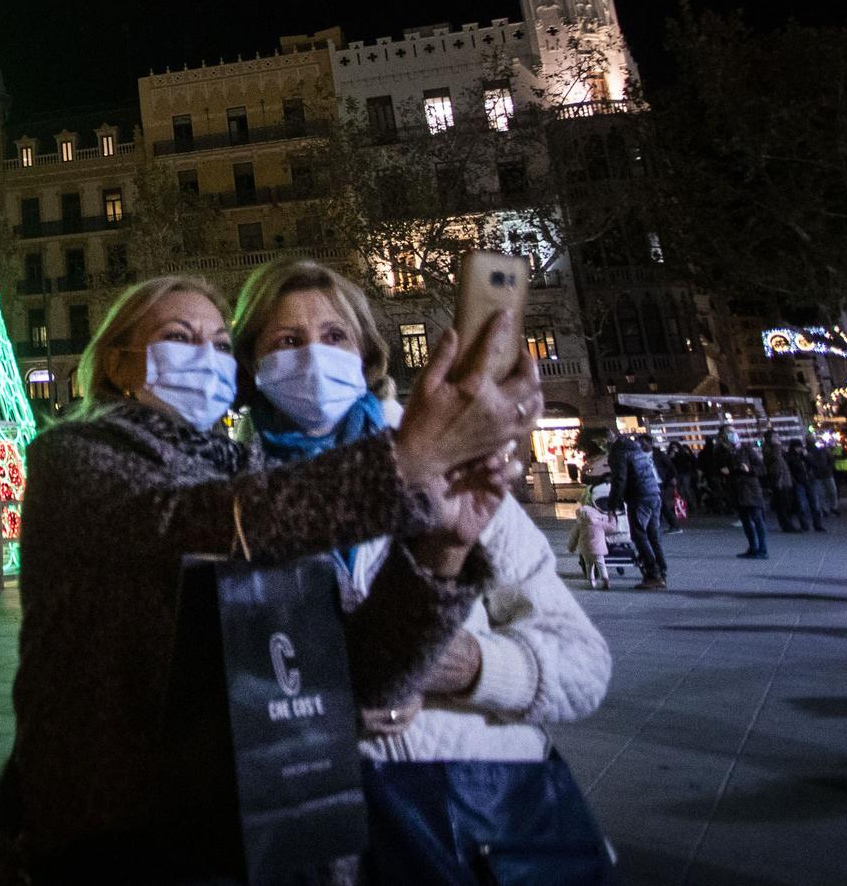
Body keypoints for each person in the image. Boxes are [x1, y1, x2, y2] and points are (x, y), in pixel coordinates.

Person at [0, 272, 539, 882]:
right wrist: (409, 459)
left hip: (259, 829)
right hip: (119, 837)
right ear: (118, 366)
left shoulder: (246, 468)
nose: (206, 357)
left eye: (222, 345)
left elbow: (372, 673)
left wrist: (446, 546)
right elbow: (195, 526)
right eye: (179, 336)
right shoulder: (76, 457)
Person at [232, 259, 608, 758]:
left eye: (335, 336)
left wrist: (474, 667)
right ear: (251, 363)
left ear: (365, 354)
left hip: (489, 797)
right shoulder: (226, 495)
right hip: (324, 806)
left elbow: (585, 665)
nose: (314, 357)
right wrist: (321, 699)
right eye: (288, 341)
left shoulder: (457, 472)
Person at [607, 428, 667, 590]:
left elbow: (619, 478)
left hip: (639, 497)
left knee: (639, 535)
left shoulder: (618, 452)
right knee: (653, 535)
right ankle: (661, 572)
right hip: (653, 493)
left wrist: (613, 504)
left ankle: (653, 575)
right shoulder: (635, 448)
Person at [717, 427, 769, 559]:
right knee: (745, 521)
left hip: (750, 490)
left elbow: (762, 468)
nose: (732, 435)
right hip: (736, 490)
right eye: (728, 433)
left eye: (733, 432)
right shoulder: (722, 452)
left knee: (757, 519)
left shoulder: (746, 449)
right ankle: (752, 547)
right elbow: (716, 468)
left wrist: (749, 469)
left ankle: (763, 550)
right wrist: (722, 471)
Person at [569, 497, 613, 589]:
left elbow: (573, 537)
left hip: (585, 550)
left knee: (588, 565)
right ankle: (605, 579)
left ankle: (591, 582)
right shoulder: (599, 523)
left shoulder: (579, 525)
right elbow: (611, 528)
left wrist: (571, 547)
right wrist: (611, 517)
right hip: (598, 549)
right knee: (601, 564)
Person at [653, 435, 681, 532]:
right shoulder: (646, 455)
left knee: (662, 504)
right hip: (654, 483)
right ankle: (661, 524)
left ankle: (673, 525)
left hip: (660, 482)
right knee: (660, 504)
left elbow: (670, 466)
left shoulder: (658, 454)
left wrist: (673, 477)